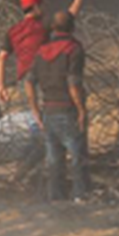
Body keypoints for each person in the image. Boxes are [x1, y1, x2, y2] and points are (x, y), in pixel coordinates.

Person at [24, 11, 88, 203]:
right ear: (73, 27)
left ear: (53, 27)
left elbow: (28, 81)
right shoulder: (74, 49)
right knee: (77, 156)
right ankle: (79, 196)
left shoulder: (41, 51)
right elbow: (73, 83)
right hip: (68, 108)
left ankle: (56, 197)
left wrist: (35, 108)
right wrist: (81, 109)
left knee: (53, 159)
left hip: (48, 109)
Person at [0, 0, 88, 104]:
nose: (45, 7)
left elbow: (1, 58)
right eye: (42, 4)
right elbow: (71, 14)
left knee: (32, 117)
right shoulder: (42, 25)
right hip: (43, 78)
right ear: (35, 7)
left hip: (23, 82)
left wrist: (1, 86)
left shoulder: (12, 31)